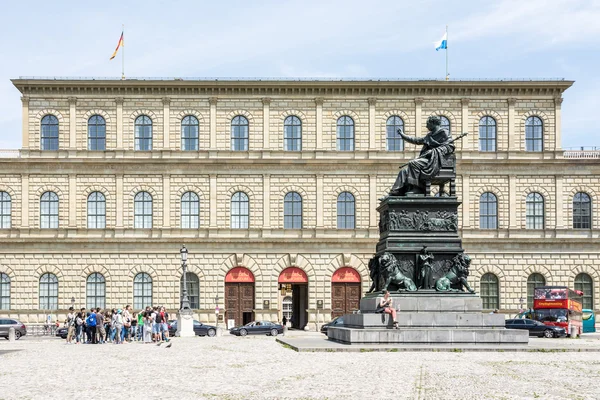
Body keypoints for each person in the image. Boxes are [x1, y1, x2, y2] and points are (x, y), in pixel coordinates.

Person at [385, 115, 455, 198]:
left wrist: (433, 151)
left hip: (436, 160)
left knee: (413, 163)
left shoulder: (444, 133)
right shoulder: (430, 135)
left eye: (427, 124)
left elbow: (450, 147)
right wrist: (403, 135)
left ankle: (417, 189)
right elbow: (417, 140)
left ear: (433, 123)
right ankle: (396, 192)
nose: (426, 126)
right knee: (403, 171)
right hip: (428, 161)